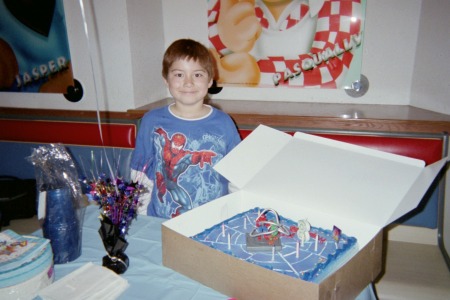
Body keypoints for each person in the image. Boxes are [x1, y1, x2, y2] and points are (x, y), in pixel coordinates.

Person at [130, 38, 241, 218]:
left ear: (210, 80)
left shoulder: (224, 123)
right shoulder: (152, 120)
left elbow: (237, 176)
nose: (188, 82)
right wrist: (142, 218)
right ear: (166, 79)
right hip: (161, 220)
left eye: (197, 75)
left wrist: (234, 215)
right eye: (179, 74)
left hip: (213, 221)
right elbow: (140, 174)